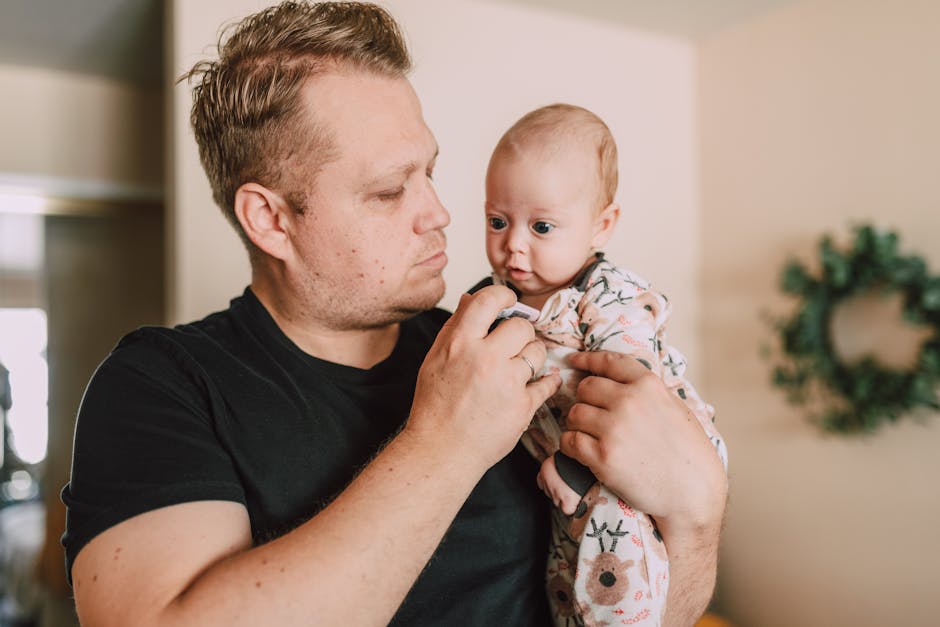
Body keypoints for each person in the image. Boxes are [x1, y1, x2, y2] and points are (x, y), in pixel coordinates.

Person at [61, 3, 728, 626]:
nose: (439, 213)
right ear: (270, 219)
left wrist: (697, 519)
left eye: (429, 173)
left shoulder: (499, 347)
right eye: (388, 190)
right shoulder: (160, 387)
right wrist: (448, 443)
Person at [474, 104, 728, 626]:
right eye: (498, 221)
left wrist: (573, 465)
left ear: (601, 226)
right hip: (565, 475)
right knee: (565, 578)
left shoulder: (609, 298)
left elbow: (630, 396)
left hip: (633, 464)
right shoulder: (497, 297)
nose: (513, 244)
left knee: (619, 570)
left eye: (541, 226)